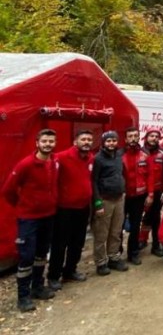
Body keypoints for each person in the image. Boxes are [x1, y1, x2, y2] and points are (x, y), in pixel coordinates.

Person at [2, 129, 59, 311]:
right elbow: (8, 190)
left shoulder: (55, 162)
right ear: (37, 143)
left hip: (48, 216)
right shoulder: (25, 164)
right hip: (28, 219)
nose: (48, 144)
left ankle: (38, 287)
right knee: (26, 257)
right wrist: (23, 205)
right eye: (45, 141)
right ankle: (23, 297)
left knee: (41, 254)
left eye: (51, 141)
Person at [47, 129, 94, 289]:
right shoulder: (61, 157)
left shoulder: (91, 158)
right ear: (75, 142)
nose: (86, 142)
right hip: (64, 209)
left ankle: (70, 271)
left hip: (83, 208)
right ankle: (54, 276)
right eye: (83, 139)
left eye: (89, 139)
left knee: (78, 242)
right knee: (60, 244)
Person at [92, 131, 128, 276]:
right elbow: (93, 182)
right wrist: (98, 203)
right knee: (101, 233)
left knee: (116, 231)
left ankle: (113, 257)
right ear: (103, 142)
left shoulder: (119, 156)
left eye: (114, 140)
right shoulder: (98, 159)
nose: (111, 143)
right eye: (108, 141)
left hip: (119, 199)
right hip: (105, 200)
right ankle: (101, 262)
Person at [122, 127, 150, 266]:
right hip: (122, 197)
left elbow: (150, 176)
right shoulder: (119, 155)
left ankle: (133, 253)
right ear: (125, 139)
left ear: (139, 138)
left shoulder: (145, 154)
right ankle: (116, 252)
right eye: (130, 136)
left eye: (135, 136)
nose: (133, 138)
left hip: (139, 197)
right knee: (118, 227)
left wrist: (150, 194)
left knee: (135, 226)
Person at [141, 127, 163, 257]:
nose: (154, 138)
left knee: (155, 218)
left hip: (157, 190)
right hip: (141, 191)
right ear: (146, 137)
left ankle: (156, 245)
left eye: (156, 136)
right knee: (141, 217)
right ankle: (141, 240)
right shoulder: (139, 152)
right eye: (151, 136)